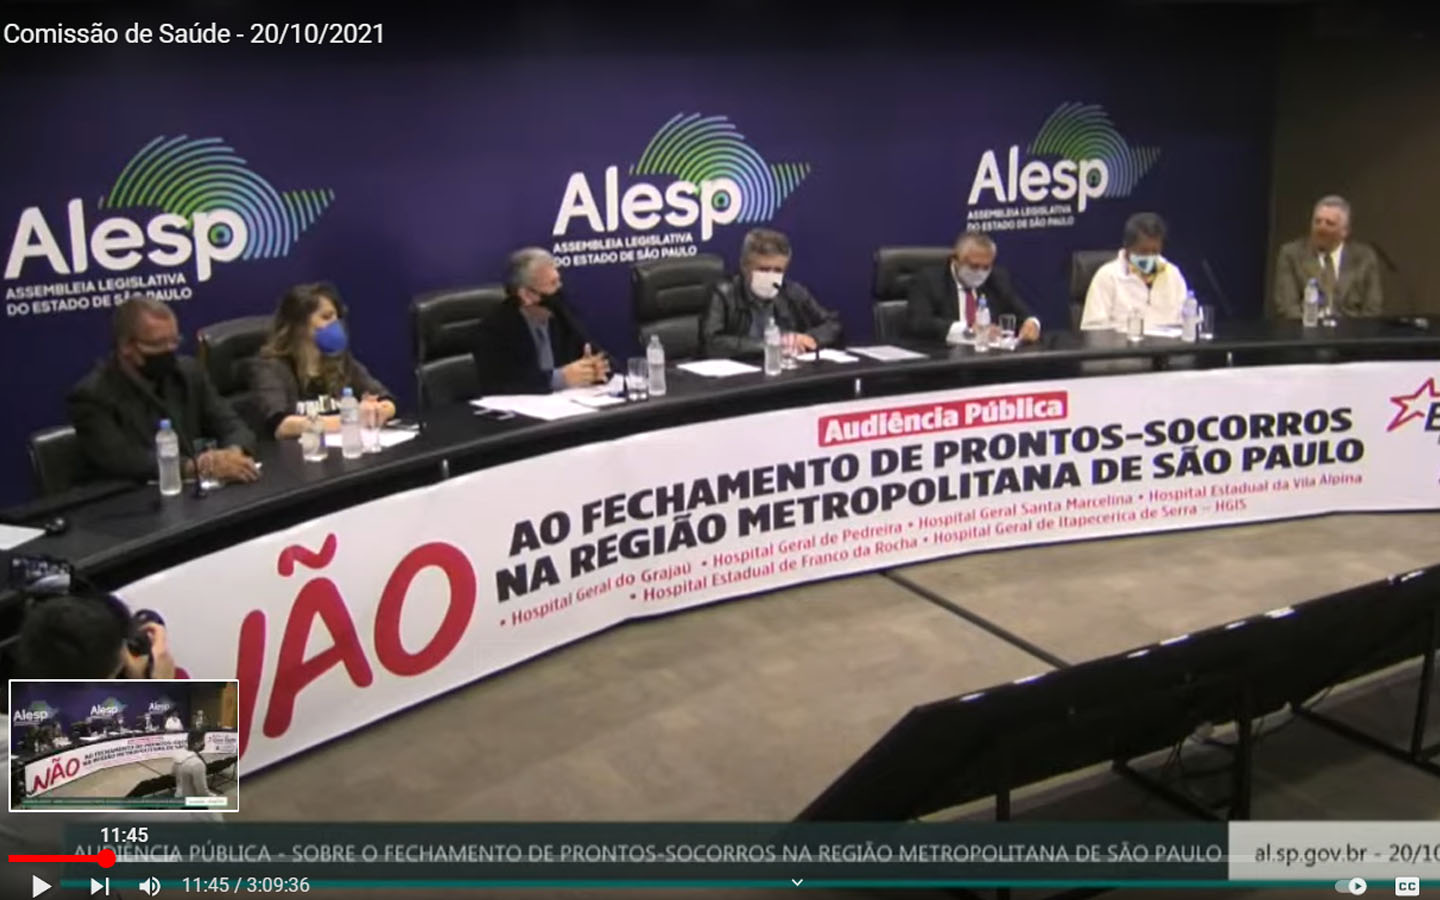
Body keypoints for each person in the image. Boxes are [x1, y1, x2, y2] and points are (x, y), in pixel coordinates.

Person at [68, 296, 258, 483]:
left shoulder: (188, 373)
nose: (169, 351)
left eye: (174, 341)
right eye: (157, 344)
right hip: (138, 496)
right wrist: (196, 467)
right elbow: (123, 459)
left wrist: (231, 455)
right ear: (126, 346)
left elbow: (233, 425)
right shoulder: (92, 395)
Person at [247, 282, 396, 439]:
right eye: (326, 317)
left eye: (337, 317)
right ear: (299, 324)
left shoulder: (340, 359)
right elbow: (281, 425)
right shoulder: (270, 367)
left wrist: (379, 411)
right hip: (303, 451)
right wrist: (348, 420)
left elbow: (386, 399)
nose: (335, 324)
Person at [472, 247, 609, 394]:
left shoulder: (562, 315)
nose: (559, 289)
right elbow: (496, 383)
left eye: (559, 281)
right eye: (552, 283)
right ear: (526, 295)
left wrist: (595, 369)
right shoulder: (495, 328)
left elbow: (601, 357)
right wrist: (559, 379)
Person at [702, 228, 842, 358]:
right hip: (743, 371)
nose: (771, 276)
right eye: (763, 269)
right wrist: (771, 345)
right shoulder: (724, 294)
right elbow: (711, 344)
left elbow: (832, 324)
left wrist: (810, 338)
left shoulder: (792, 292)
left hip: (786, 369)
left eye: (778, 270)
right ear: (745, 267)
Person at [906, 231, 1042, 343]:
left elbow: (1022, 312)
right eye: (974, 266)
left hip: (988, 357)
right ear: (955, 260)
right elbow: (919, 323)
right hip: (946, 356)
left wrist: (1032, 323)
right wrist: (968, 329)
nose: (980, 273)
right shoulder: (929, 280)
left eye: (986, 267)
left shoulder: (997, 279)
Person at [1272, 195, 1383, 319]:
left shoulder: (1364, 258)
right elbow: (1288, 307)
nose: (1321, 228)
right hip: (1305, 328)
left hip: (1352, 329)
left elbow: (1372, 310)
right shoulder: (1291, 255)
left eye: (1329, 224)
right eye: (1317, 222)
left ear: (1344, 231)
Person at [1080, 212, 1190, 331]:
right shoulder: (1107, 276)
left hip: (1169, 342)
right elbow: (1092, 329)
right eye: (1143, 252)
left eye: (1155, 251)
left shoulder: (1172, 274)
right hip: (1123, 342)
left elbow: (1186, 322)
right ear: (1127, 248)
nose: (1150, 257)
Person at [172, 731, 216, 801]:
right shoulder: (197, 763)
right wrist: (213, 797)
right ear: (196, 744)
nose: (204, 744)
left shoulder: (177, 755)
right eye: (203, 741)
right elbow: (202, 790)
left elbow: (173, 773)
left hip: (179, 796)